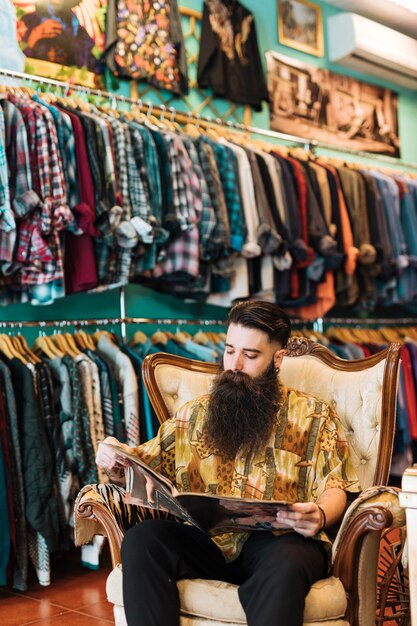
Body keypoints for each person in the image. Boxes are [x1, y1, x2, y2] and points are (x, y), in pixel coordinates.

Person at [96, 300, 360, 626]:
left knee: (289, 561)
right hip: (210, 543)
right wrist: (113, 455)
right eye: (229, 350)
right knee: (143, 541)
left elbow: (337, 486)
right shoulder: (195, 414)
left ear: (277, 359)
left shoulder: (313, 415)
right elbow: (140, 461)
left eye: (250, 356)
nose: (234, 365)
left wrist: (318, 515)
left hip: (280, 544)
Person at [16, 0, 98, 73]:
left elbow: (90, 67)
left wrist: (68, 56)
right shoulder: (28, 21)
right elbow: (13, 58)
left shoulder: (79, 32)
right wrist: (33, 38)